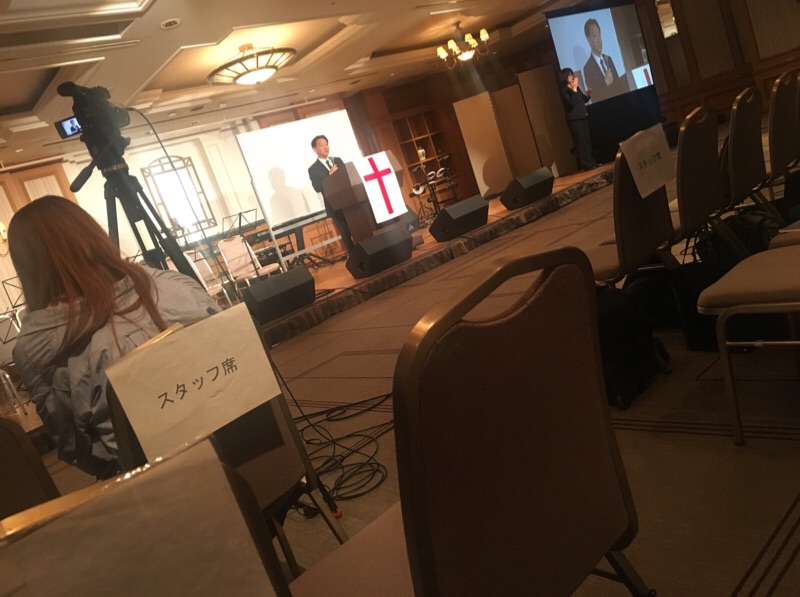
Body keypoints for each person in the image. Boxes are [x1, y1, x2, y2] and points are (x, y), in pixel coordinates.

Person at [10, 196, 220, 479]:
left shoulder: (33, 350)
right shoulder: (175, 284)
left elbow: (78, 449)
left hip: (159, 486)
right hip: (257, 448)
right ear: (93, 235)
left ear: (28, 267)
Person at [307, 134, 355, 252]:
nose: (325, 147)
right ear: (315, 149)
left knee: (357, 228)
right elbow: (317, 187)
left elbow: (348, 176)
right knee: (346, 233)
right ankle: (354, 255)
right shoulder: (313, 169)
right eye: (321, 145)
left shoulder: (337, 160)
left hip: (349, 200)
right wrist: (329, 176)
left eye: (326, 144)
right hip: (334, 205)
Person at [559, 67, 598, 172]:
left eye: (572, 74)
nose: (572, 76)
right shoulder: (564, 91)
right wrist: (574, 89)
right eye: (569, 75)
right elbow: (572, 102)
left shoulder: (576, 88)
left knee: (587, 141)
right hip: (575, 119)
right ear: (564, 77)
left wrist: (587, 95)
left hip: (583, 115)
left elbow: (581, 100)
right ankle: (586, 165)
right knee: (581, 143)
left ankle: (591, 162)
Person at [582, 18, 620, 101]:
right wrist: (605, 83)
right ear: (588, 39)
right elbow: (594, 97)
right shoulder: (587, 68)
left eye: (600, 35)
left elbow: (618, 84)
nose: (599, 40)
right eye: (595, 36)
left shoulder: (608, 59)